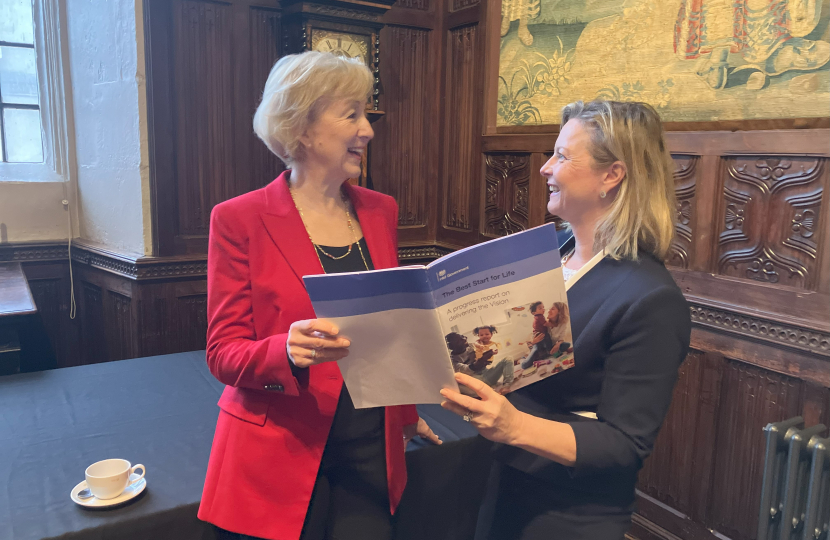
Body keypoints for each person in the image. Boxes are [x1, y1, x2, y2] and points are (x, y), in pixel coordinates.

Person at [198, 52, 439, 540]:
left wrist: (407, 413)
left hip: (370, 447)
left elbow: (388, 332)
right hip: (280, 448)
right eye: (351, 114)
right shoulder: (238, 219)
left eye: (366, 114)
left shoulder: (380, 211)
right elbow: (223, 354)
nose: (368, 130)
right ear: (302, 128)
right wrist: (284, 349)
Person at [440, 100, 691, 540]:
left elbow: (624, 444)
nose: (545, 168)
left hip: (567, 511)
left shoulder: (651, 297)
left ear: (611, 175)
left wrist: (514, 426)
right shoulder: (547, 253)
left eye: (562, 156)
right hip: (497, 478)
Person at [446, 332, 514, 394]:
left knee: (508, 359)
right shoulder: (453, 361)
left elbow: (484, 349)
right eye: (460, 339)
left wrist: (490, 352)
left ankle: (506, 386)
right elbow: (469, 369)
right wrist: (482, 359)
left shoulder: (471, 346)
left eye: (463, 336)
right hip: (476, 382)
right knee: (458, 385)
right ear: (451, 346)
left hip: (487, 375)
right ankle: (488, 392)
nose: (465, 339)